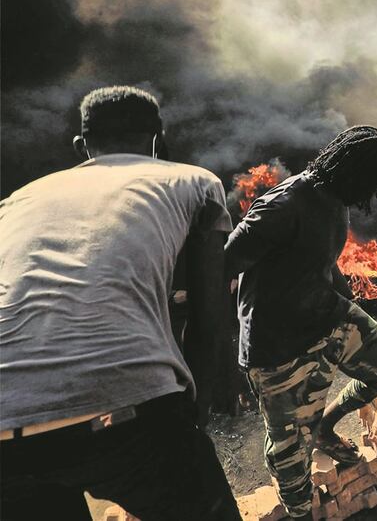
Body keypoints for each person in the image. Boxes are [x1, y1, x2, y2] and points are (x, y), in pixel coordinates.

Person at [0, 86, 240, 521]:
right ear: (158, 140)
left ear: (81, 147)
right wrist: (196, 417)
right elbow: (210, 314)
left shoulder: (18, 200)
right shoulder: (194, 181)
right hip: (123, 409)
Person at [225, 125, 377, 520]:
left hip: (325, 313)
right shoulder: (284, 205)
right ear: (355, 173)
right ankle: (300, 514)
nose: (374, 195)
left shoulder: (334, 196)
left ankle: (325, 426)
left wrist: (349, 303)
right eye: (376, 184)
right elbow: (223, 265)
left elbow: (318, 260)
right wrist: (226, 356)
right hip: (277, 345)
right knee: (291, 450)